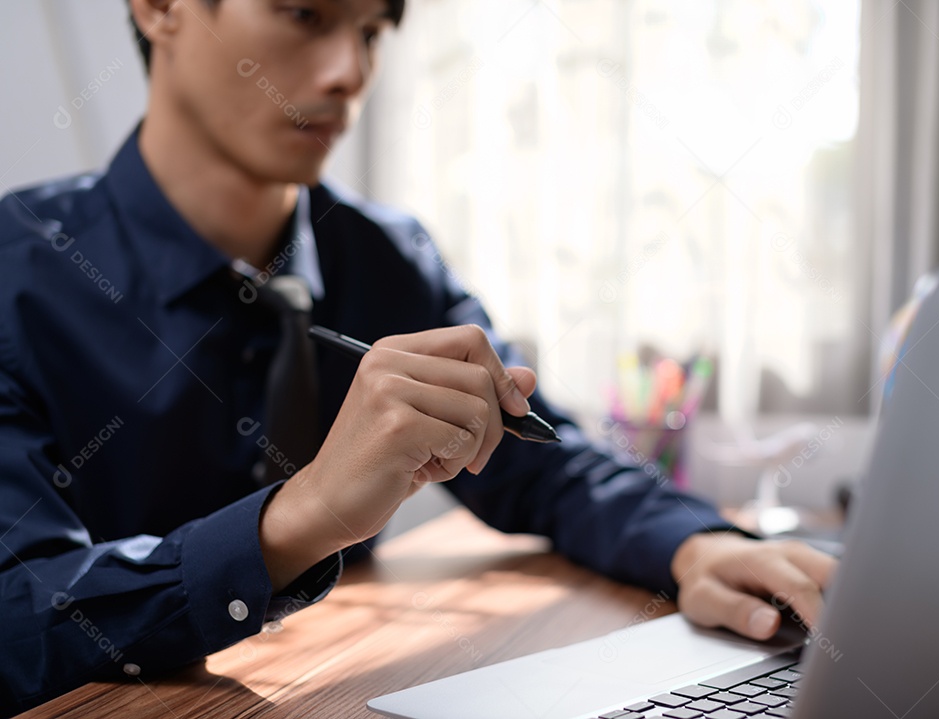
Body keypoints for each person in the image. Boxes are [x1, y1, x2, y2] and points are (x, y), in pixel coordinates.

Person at [0, 0, 836, 714]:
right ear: (160, 7)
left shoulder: (385, 256)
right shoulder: (18, 273)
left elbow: (543, 458)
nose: (348, 74)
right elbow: (19, 617)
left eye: (372, 30)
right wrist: (302, 516)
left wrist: (696, 547)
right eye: (307, 14)